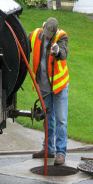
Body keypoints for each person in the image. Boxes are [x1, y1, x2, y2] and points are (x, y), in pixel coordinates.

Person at [29, 17, 69, 165]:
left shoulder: (61, 37)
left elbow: (64, 52)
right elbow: (22, 45)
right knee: (47, 119)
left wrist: (58, 51)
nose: (46, 36)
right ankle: (48, 149)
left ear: (55, 32)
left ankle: (60, 153)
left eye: (49, 35)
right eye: (45, 32)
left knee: (61, 120)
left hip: (59, 87)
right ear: (43, 26)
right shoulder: (35, 34)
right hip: (44, 87)